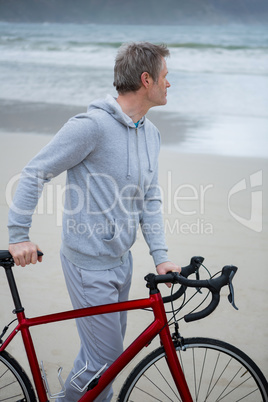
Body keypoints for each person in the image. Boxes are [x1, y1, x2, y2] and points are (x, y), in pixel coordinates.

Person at [8, 42, 180, 401]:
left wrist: (160, 255)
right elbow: (35, 172)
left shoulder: (151, 133)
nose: (169, 83)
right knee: (107, 363)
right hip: (87, 264)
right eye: (165, 76)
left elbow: (149, 197)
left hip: (121, 261)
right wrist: (18, 235)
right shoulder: (92, 127)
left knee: (101, 360)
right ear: (146, 80)